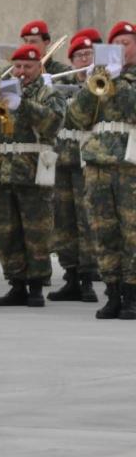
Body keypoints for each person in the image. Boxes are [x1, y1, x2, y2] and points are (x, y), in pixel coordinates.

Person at [68, 20, 136, 320]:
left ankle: (132, 294)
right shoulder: (100, 76)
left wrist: (120, 83)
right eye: (116, 44)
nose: (121, 48)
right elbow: (76, 117)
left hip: (130, 166)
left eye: (126, 43)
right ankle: (113, 291)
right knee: (103, 231)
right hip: (98, 165)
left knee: (132, 233)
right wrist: (93, 83)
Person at [0, 44, 64, 308]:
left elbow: (53, 122)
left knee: (36, 232)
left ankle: (36, 285)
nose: (22, 72)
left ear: (39, 67)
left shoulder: (48, 93)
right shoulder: (3, 91)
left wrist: (24, 104)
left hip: (33, 171)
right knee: (6, 232)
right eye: (18, 66)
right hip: (3, 171)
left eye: (28, 67)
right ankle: (16, 283)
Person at [49, 30, 102, 302]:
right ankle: (70, 276)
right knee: (64, 221)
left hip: (86, 162)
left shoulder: (101, 85)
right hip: (62, 161)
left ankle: (88, 278)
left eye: (89, 54)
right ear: (71, 61)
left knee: (86, 221)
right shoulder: (61, 85)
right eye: (79, 55)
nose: (84, 59)